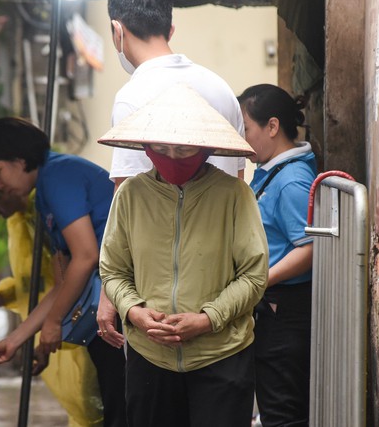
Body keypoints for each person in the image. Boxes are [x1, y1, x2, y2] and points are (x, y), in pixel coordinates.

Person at [98, 83, 269, 427]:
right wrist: (134, 311)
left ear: (204, 149)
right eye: (161, 148)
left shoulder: (233, 194)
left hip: (222, 356)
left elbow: (253, 275)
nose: (172, 157)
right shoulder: (131, 195)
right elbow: (113, 270)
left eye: (184, 149)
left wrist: (207, 319)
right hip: (150, 358)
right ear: (146, 148)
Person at [98, 0, 247, 347]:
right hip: (222, 293)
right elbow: (238, 185)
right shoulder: (221, 89)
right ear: (171, 27)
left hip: (157, 301)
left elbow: (125, 196)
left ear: (118, 30)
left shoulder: (133, 96)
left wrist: (110, 297)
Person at [0, 117, 127, 427]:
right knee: (118, 407)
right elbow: (63, 283)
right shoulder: (45, 192)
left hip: (122, 303)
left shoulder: (58, 175)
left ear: (19, 160)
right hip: (111, 304)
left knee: (122, 409)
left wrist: (54, 323)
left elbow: (85, 257)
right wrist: (17, 339)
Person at [0, 179, 104, 426]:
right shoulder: (19, 222)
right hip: (51, 323)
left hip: (74, 321)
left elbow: (67, 278)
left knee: (93, 406)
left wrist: (53, 323)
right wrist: (0, 298)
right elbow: (35, 282)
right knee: (83, 413)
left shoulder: (47, 216)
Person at [238, 84, 318, 427]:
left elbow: (311, 247)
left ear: (272, 126)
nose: (242, 140)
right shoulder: (272, 172)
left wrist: (258, 281)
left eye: (246, 129)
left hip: (286, 311)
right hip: (273, 307)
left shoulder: (291, 181)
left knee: (284, 413)